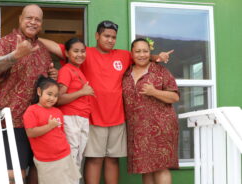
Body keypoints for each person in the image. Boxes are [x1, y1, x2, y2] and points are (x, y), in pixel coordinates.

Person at [39, 20, 173, 184]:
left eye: (113, 37)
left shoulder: (123, 55)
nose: (110, 40)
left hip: (117, 117)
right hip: (94, 116)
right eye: (106, 36)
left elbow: (142, 56)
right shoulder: (84, 53)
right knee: (94, 159)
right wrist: (33, 37)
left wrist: (158, 57)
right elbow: (56, 47)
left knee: (112, 159)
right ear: (97, 36)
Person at [0, 4, 57, 184]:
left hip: (38, 123)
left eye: (37, 19)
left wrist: (52, 76)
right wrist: (15, 55)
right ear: (20, 19)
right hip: (13, 121)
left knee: (37, 170)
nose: (33, 22)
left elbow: (46, 83)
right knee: (14, 176)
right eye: (29, 18)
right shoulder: (5, 43)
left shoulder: (42, 49)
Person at [122, 38, 179, 184]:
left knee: (161, 167)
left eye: (145, 51)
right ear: (132, 53)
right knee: (145, 168)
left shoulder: (160, 71)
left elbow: (174, 96)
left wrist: (154, 92)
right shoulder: (126, 73)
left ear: (150, 52)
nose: (142, 55)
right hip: (138, 130)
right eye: (138, 51)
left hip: (161, 126)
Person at [23, 75, 81, 184]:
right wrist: (49, 126)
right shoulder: (32, 111)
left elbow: (61, 133)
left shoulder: (57, 112)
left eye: (55, 96)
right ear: (39, 92)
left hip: (64, 156)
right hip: (47, 160)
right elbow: (30, 132)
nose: (52, 98)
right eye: (49, 94)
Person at [56, 38, 94, 178]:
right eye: (76, 51)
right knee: (71, 158)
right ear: (66, 53)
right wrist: (82, 92)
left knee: (77, 159)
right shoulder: (66, 70)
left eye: (83, 51)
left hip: (81, 118)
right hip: (71, 117)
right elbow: (59, 98)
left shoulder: (78, 71)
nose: (80, 54)